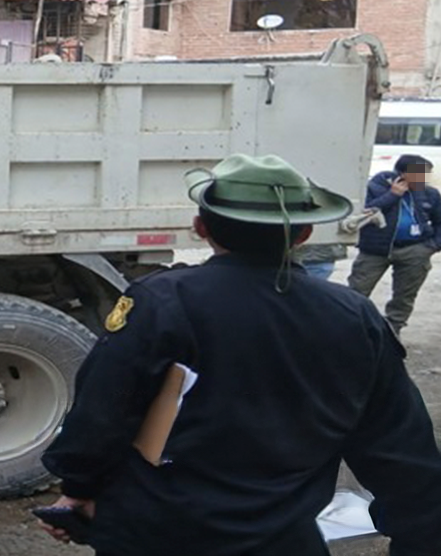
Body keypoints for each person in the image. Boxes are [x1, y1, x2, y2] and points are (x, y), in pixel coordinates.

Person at [40, 154, 441, 556]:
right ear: (301, 234)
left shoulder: (164, 301)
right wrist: (420, 536)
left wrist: (78, 489)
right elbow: (398, 446)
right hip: (282, 540)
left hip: (159, 535)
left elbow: (104, 409)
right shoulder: (353, 316)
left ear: (201, 228)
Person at [348, 153, 441, 334]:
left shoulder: (429, 193)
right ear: (402, 173)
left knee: (404, 296)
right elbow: (364, 213)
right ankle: (351, 328)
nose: (424, 178)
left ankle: (393, 330)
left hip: (415, 250)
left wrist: (433, 246)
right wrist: (392, 196)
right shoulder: (375, 187)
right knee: (356, 291)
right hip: (375, 250)